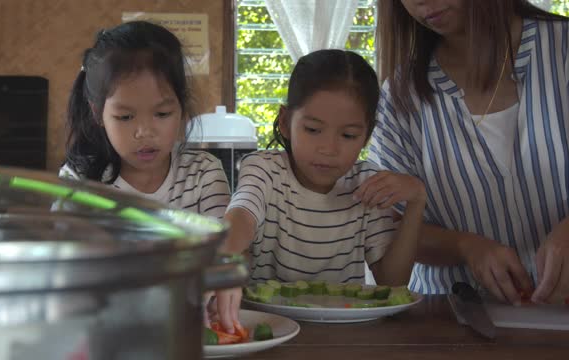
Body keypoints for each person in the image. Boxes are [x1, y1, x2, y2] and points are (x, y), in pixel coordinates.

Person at [370, 0, 569, 305]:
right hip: (451, 320)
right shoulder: (401, 95)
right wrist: (464, 246)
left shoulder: (562, 47)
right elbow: (388, 228)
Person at [213, 49, 427, 326]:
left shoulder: (368, 184)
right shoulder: (263, 168)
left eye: (348, 135)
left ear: (367, 135)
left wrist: (416, 201)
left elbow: (393, 281)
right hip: (269, 327)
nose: (329, 149)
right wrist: (226, 260)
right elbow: (242, 213)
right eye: (313, 130)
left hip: (344, 335)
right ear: (286, 122)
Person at [58, 20, 236, 330]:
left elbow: (223, 248)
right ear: (98, 113)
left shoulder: (203, 174)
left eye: (162, 114)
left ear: (182, 106)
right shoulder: (79, 180)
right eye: (125, 117)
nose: (144, 132)